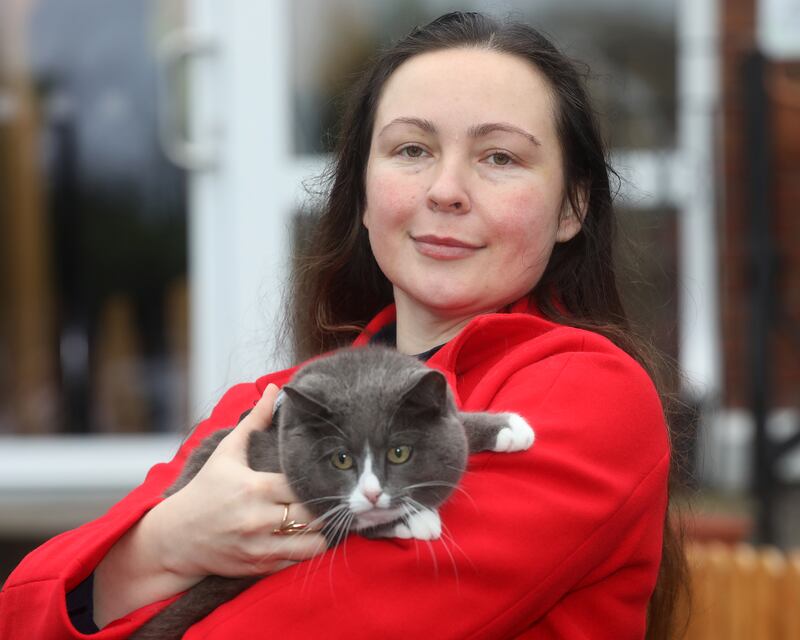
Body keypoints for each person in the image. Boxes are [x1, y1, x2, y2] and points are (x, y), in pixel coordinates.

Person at [0, 11, 686, 639]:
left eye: (499, 157)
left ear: (571, 208)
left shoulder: (587, 395)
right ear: (361, 193)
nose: (445, 189)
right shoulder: (273, 402)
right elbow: (24, 613)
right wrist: (167, 544)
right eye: (411, 150)